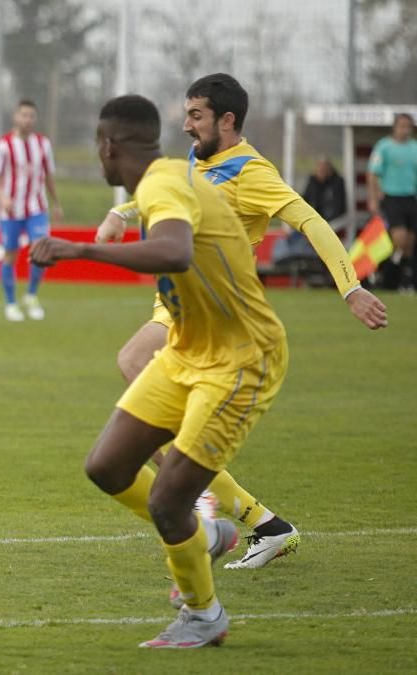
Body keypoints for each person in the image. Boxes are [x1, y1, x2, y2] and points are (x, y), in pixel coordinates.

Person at [97, 74, 387, 575]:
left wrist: (351, 286)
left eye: (196, 116)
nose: (186, 126)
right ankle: (261, 522)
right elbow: (169, 196)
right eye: (186, 114)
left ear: (227, 121)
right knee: (138, 380)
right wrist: (121, 210)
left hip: (217, 313)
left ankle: (202, 502)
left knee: (134, 365)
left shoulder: (251, 171)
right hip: (177, 303)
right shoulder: (198, 161)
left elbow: (312, 222)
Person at [31, 94, 290, 648]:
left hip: (241, 357)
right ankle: (212, 535)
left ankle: (203, 616)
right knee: (107, 467)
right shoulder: (170, 175)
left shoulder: (160, 184)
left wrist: (79, 253)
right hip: (187, 350)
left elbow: (173, 251)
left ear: (108, 147)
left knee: (167, 501)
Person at [0, 99, 62, 321]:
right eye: (23, 115)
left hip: (37, 208)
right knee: (10, 254)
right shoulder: (2, 145)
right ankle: (11, 303)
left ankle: (31, 295)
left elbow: (48, 175)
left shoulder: (43, 144)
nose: (27, 119)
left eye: (31, 116)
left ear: (35, 119)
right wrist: (2, 197)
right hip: (10, 211)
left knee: (41, 250)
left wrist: (56, 202)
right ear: (15, 117)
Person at [367, 113, 417, 291]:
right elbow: (373, 173)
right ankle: (385, 274)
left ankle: (402, 280)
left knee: (410, 244)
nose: (405, 130)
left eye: (408, 126)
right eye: (401, 126)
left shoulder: (414, 148)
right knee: (400, 239)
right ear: (395, 127)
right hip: (392, 197)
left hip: (410, 198)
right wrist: (373, 198)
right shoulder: (384, 147)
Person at [274, 155, 347, 264]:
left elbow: (339, 210)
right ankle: (282, 261)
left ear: (329, 170)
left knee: (302, 243)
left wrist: (318, 229)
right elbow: (303, 202)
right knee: (286, 240)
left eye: (323, 169)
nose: (320, 172)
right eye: (318, 169)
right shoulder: (312, 182)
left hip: (325, 227)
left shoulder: (337, 185)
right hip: (309, 224)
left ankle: (296, 261)